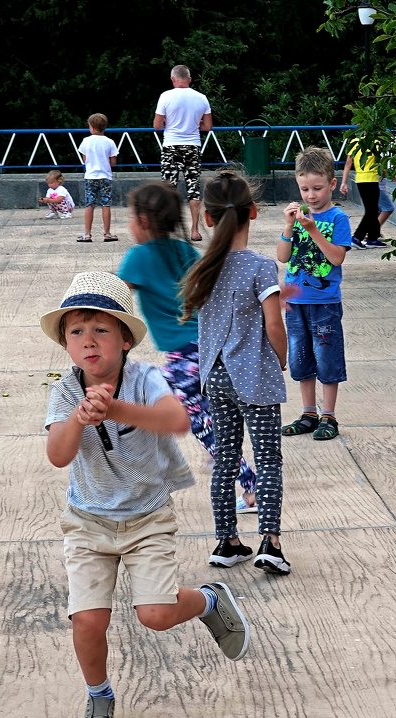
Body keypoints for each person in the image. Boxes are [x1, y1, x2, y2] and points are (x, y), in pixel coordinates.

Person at [40, 270, 251, 718]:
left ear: (125, 340)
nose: (89, 342)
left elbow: (176, 419)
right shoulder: (65, 391)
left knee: (155, 615)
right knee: (89, 619)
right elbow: (58, 456)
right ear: (65, 344)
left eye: (101, 330)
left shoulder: (144, 378)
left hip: (147, 519)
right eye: (77, 332)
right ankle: (99, 694)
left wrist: (116, 409)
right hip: (87, 522)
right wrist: (80, 417)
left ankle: (209, 600)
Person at [115, 181, 261, 522]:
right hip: (207, 347)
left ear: (145, 221)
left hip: (184, 355)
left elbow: (116, 296)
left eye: (130, 218)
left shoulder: (138, 256)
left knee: (195, 420)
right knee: (199, 410)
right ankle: (220, 453)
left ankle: (248, 483)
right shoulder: (185, 251)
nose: (129, 226)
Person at [180, 171, 291, 574]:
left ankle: (226, 542)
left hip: (216, 378)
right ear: (254, 213)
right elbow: (274, 325)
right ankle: (270, 542)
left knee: (225, 460)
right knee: (268, 459)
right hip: (255, 376)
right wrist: (281, 358)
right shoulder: (260, 268)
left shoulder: (204, 267)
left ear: (208, 219)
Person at [276, 145, 353, 441]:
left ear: (332, 185)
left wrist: (313, 231)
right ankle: (308, 412)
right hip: (295, 302)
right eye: (305, 188)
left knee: (327, 357)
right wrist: (289, 225)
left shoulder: (337, 219)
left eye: (317, 188)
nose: (310, 195)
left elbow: (336, 258)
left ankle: (328, 415)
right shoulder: (297, 218)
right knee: (301, 357)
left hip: (324, 302)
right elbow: (283, 257)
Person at [153, 64, 213, 242]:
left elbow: (157, 125)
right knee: (193, 189)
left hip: (171, 145)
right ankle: (195, 230)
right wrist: (195, 125)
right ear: (189, 79)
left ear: (173, 79)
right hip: (193, 146)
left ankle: (168, 229)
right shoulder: (201, 98)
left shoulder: (166, 96)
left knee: (168, 189)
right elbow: (208, 126)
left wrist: (169, 124)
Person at [76, 113, 120, 243]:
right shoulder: (110, 142)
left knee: (89, 204)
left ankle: (87, 234)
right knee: (106, 204)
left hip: (90, 177)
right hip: (105, 177)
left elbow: (85, 160)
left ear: (92, 127)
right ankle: (107, 234)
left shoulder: (86, 141)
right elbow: (113, 163)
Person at [340, 137, 385, 249]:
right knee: (372, 211)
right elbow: (381, 163)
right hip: (371, 179)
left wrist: (344, 182)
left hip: (360, 179)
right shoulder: (376, 142)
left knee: (373, 210)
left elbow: (348, 164)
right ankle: (357, 237)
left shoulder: (355, 142)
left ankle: (372, 238)